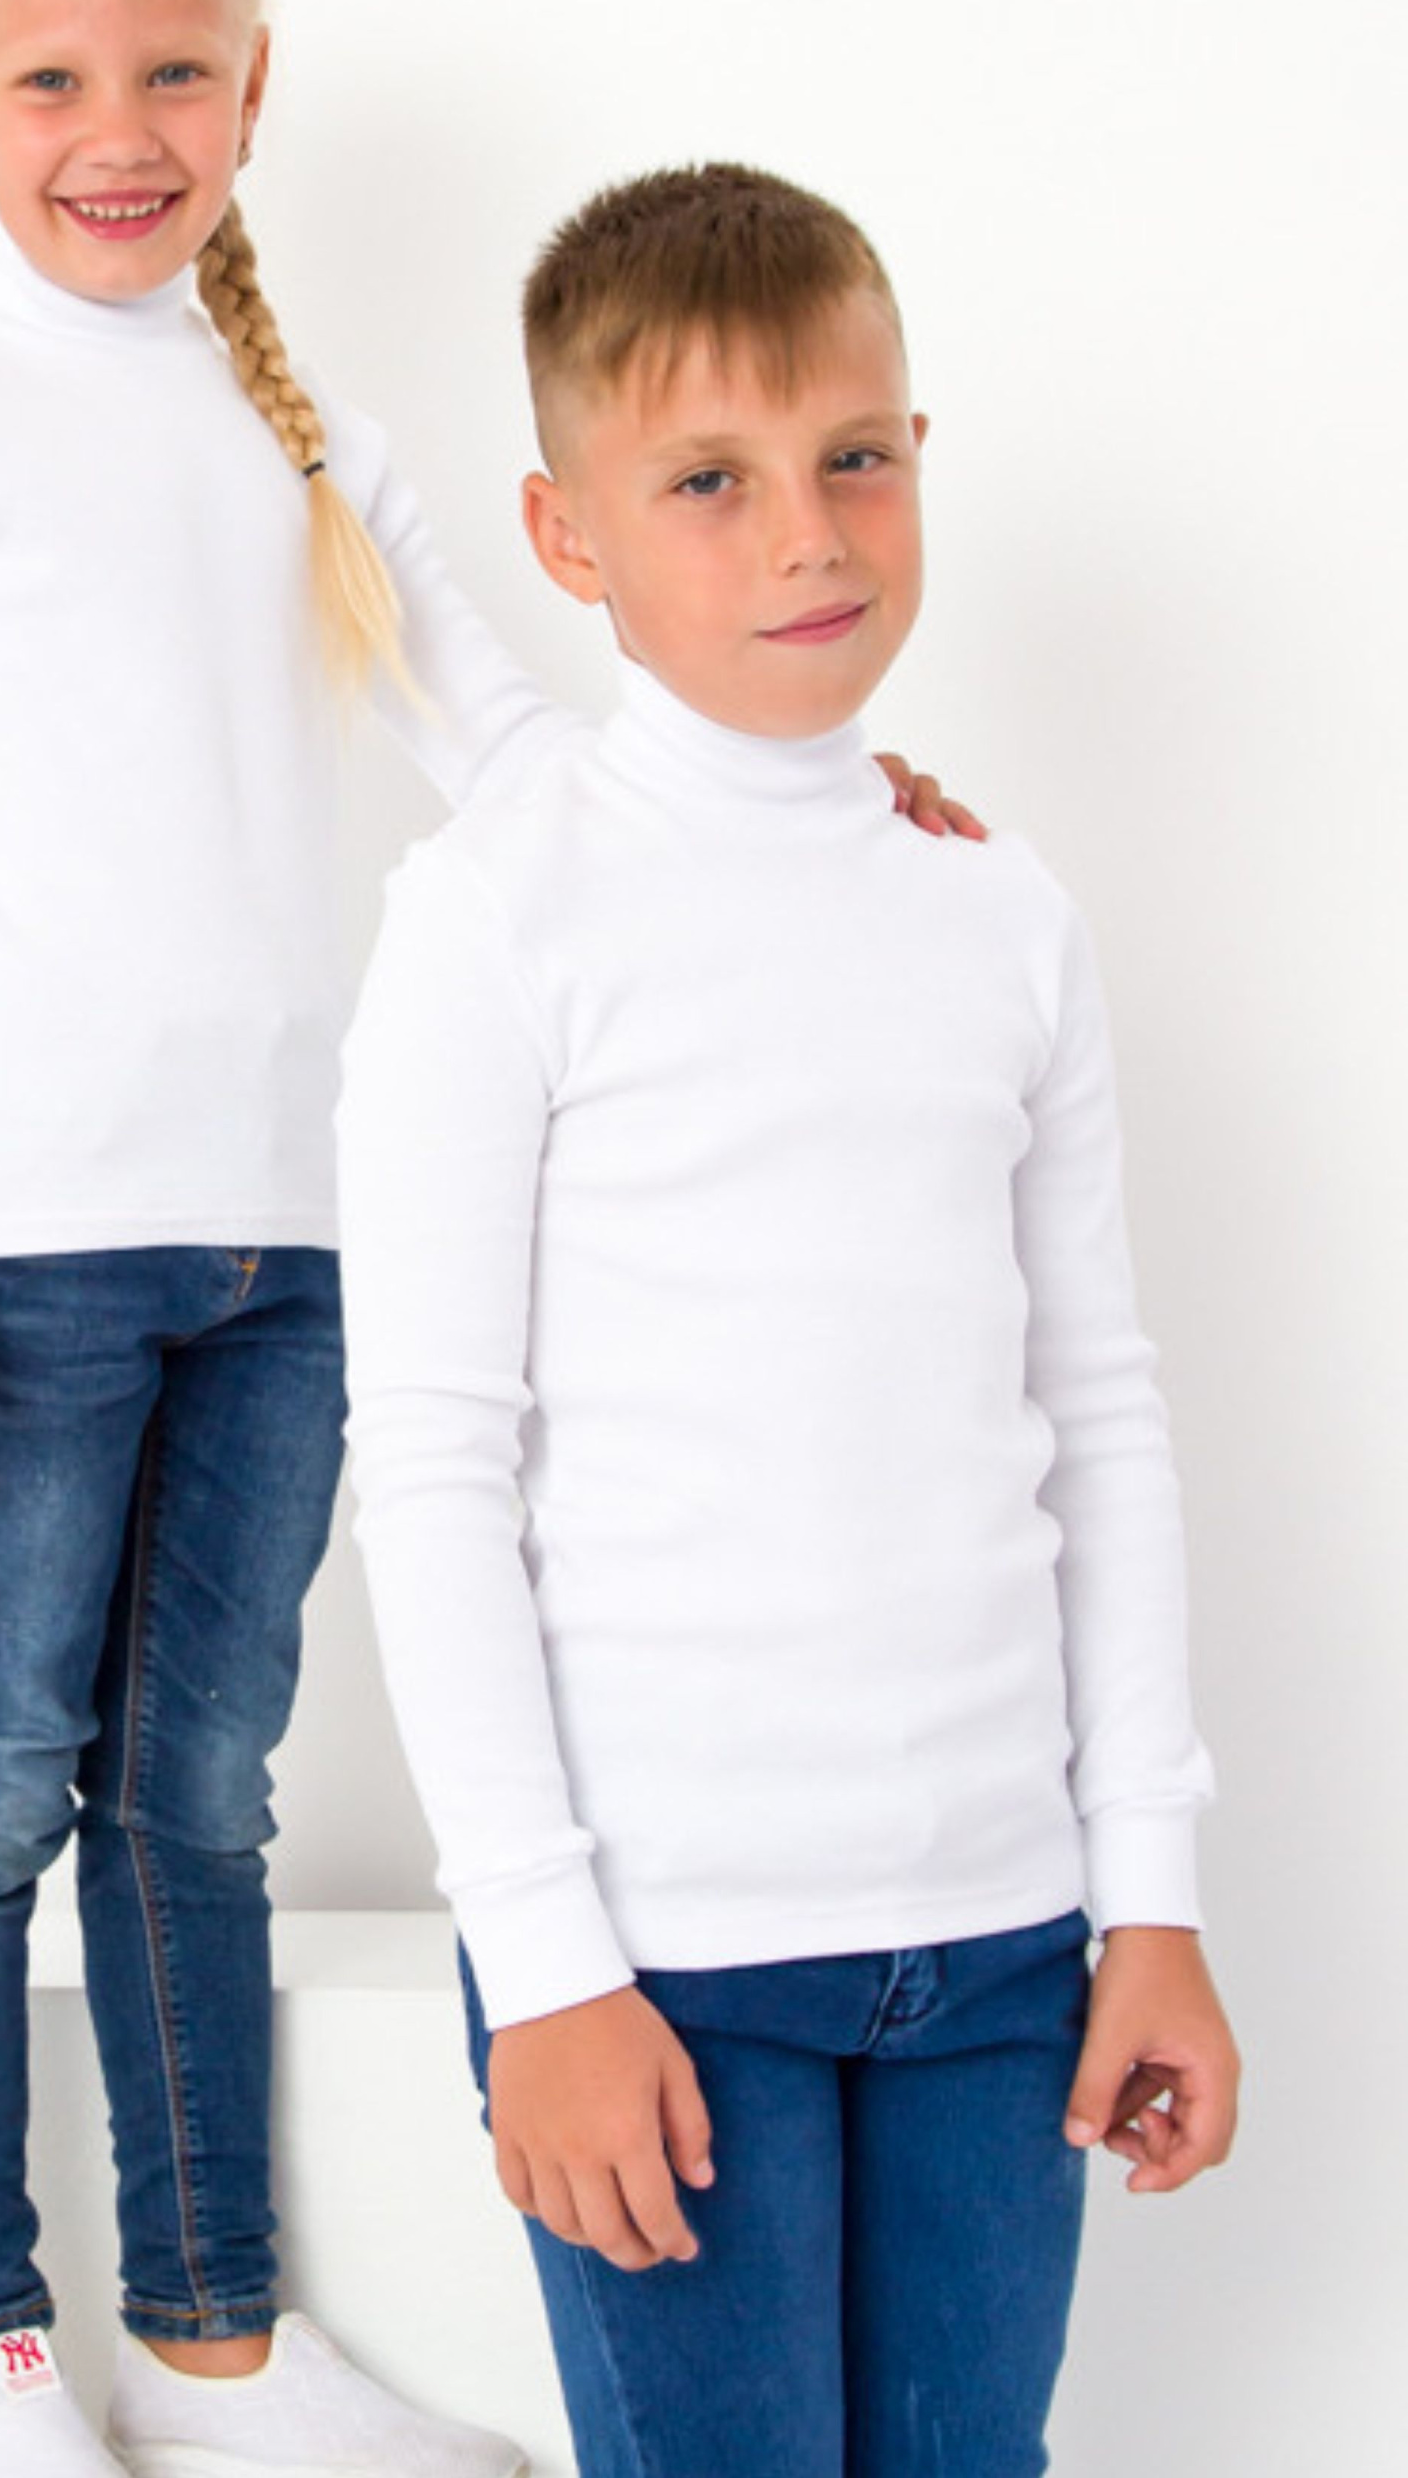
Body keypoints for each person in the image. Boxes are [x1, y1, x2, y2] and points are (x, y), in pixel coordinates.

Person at [0, 0, 970, 2468]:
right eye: (50, 78)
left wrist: (813, 805)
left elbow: (513, 746)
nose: (120, 128)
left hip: (292, 1242)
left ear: (253, 84)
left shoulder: (293, 423)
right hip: (14, 1244)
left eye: (174, 71)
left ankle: (212, 2336)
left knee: (196, 1786)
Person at [337, 162, 1240, 2478]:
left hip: (1002, 1943)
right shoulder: (497, 915)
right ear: (564, 539)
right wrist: (543, 1964)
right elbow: (427, 1463)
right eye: (704, 484)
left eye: (850, 459)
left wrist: (1144, 1897)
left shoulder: (998, 911)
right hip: (663, 1957)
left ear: (916, 454)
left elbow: (1094, 1412)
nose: (803, 538)